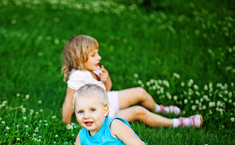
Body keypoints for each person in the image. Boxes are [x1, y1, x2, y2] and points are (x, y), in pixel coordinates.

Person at [61, 34, 203, 128]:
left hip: (108, 100)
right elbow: (69, 102)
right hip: (103, 115)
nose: (99, 57)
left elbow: (107, 89)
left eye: (97, 53)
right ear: (79, 59)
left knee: (140, 92)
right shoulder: (78, 76)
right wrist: (67, 125)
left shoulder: (93, 69)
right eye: (93, 55)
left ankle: (159, 109)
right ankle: (179, 123)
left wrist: (106, 78)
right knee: (138, 111)